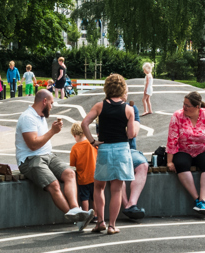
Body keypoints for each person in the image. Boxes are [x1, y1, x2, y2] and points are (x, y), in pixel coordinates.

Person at [14, 90, 92, 226]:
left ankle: (75, 210)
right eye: (51, 103)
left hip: (48, 156)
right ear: (44, 101)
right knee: (54, 185)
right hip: (30, 159)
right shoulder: (27, 118)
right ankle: (76, 220)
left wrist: (52, 131)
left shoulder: (41, 116)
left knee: (69, 173)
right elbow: (32, 145)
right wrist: (52, 132)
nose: (52, 106)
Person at [85, 74, 138, 233]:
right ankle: (112, 226)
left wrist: (92, 141)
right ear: (123, 89)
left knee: (98, 187)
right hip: (121, 149)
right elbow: (130, 135)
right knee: (116, 190)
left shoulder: (100, 106)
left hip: (105, 148)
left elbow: (84, 123)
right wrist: (134, 124)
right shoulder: (128, 109)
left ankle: (100, 222)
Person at [168, 89, 205, 217]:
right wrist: (169, 161)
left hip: (203, 150)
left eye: (187, 105)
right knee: (180, 164)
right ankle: (197, 200)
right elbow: (172, 139)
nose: (184, 107)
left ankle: (203, 199)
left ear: (197, 107)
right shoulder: (177, 116)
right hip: (184, 150)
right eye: (184, 104)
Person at [68, 122, 97, 227]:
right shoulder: (91, 144)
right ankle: (96, 216)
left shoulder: (75, 148)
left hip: (82, 178)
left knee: (84, 197)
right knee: (95, 197)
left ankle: (85, 214)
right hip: (94, 176)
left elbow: (73, 164)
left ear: (74, 135)